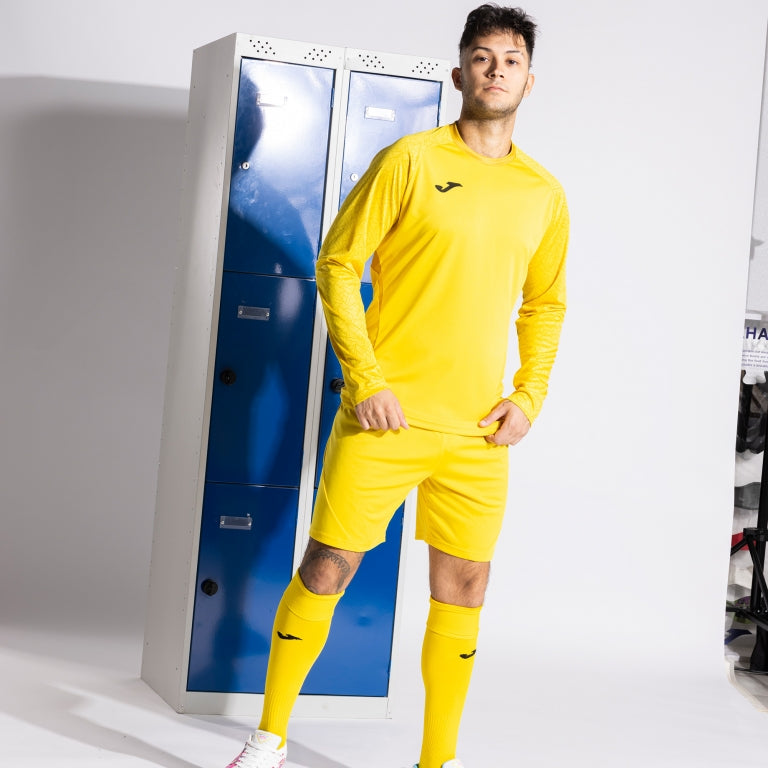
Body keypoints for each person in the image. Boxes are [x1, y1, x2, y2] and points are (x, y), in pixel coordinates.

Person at [225, 5, 568, 767]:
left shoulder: (543, 193)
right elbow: (338, 262)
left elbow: (545, 305)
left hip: (478, 433)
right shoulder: (409, 159)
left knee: (466, 585)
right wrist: (366, 379)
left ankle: (436, 761)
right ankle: (268, 739)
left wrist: (529, 396)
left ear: (529, 80)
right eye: (482, 57)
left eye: (510, 60)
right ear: (459, 74)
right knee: (326, 568)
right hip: (386, 417)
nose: (496, 70)